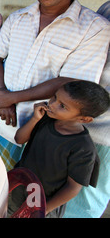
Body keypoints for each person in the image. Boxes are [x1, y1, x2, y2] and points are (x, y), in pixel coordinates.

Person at [0, 0, 110, 170]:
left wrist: (10, 98)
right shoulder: (18, 18)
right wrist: (0, 93)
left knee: (19, 181)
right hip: (0, 112)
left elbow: (70, 83)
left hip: (40, 125)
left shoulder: (94, 28)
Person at [10, 80, 109, 217]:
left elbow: (73, 187)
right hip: (18, 188)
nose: (52, 104)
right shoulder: (45, 119)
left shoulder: (83, 148)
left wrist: (44, 209)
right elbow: (19, 139)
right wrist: (34, 119)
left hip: (43, 202)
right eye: (54, 97)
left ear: (84, 119)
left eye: (62, 106)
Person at [63, 1, 110, 218]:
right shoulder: (107, 9)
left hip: (105, 136)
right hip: (74, 119)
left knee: (89, 195)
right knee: (60, 183)